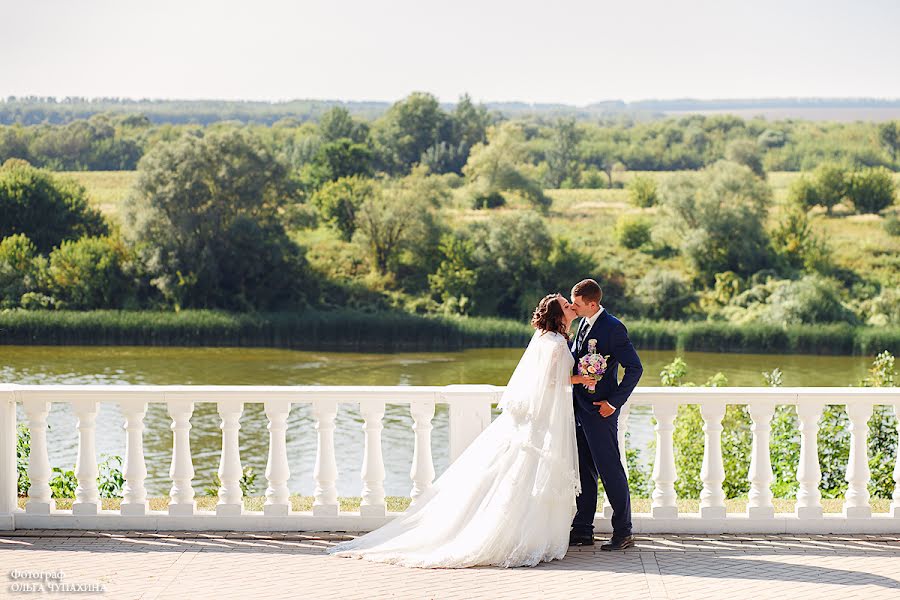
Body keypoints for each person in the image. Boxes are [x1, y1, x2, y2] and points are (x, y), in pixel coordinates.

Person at [328, 293, 594, 568]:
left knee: (523, 476)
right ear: (557, 315)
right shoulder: (556, 344)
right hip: (543, 417)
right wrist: (580, 377)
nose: (571, 306)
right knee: (529, 475)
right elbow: (550, 381)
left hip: (540, 416)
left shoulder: (548, 339)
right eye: (566, 305)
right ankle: (522, 536)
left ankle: (526, 533)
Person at [568, 279, 643, 551]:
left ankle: (624, 532)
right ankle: (583, 529)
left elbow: (635, 368)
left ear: (592, 303)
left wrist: (613, 403)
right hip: (579, 411)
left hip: (601, 412)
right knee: (585, 472)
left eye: (577, 304)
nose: (573, 308)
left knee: (610, 471)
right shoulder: (582, 324)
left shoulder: (613, 328)